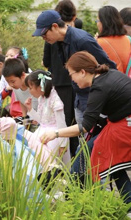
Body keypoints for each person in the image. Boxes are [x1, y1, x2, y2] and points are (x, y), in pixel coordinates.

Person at [40, 51, 131, 210]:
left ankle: (81, 200)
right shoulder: (109, 75)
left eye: (71, 74)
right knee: (110, 163)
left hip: (125, 125)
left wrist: (55, 133)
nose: (71, 79)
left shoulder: (99, 88)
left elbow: (84, 126)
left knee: (106, 159)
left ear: (82, 72)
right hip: (121, 123)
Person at [33, 10, 116, 126]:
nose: (43, 38)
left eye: (44, 34)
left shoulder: (82, 40)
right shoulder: (58, 42)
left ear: (55, 26)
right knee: (82, 140)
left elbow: (109, 67)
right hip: (80, 99)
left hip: (95, 100)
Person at [43, 0, 79, 157]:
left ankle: (65, 164)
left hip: (59, 85)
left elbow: (46, 62)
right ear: (74, 15)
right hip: (78, 84)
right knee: (77, 125)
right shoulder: (76, 34)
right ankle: (78, 164)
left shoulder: (51, 33)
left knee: (62, 124)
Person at [24, 70, 70, 167]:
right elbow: (42, 120)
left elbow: (61, 123)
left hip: (54, 135)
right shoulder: (42, 98)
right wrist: (30, 109)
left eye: (31, 88)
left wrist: (62, 144)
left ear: (40, 87)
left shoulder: (55, 100)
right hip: (43, 131)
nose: (29, 91)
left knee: (50, 162)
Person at [96, 5, 130, 74]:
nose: (97, 23)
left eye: (97, 20)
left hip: (112, 82)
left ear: (103, 22)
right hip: (127, 80)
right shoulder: (128, 39)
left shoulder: (99, 43)